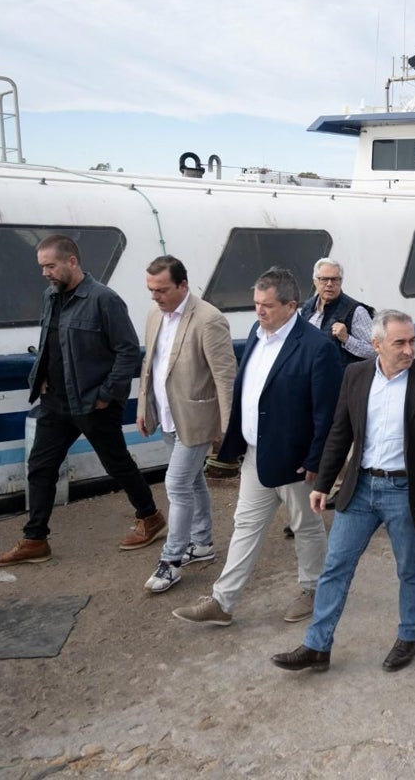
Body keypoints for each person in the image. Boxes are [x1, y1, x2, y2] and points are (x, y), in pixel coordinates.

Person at [271, 311, 415, 673]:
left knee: (410, 568)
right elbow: (340, 432)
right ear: (376, 345)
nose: (409, 350)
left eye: (412, 341)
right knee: (335, 567)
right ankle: (317, 646)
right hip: (360, 490)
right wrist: (323, 484)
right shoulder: (355, 376)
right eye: (399, 343)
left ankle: (408, 637)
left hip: (405, 491)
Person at [172, 267, 342, 626]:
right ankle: (222, 601)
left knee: (306, 527)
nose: (259, 312)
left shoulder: (318, 348)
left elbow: (327, 413)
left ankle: (315, 591)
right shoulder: (255, 333)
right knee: (245, 525)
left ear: (291, 305)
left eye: (266, 305)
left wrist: (316, 460)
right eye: (256, 304)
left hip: (296, 461)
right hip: (255, 455)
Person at [0, 235, 162, 566]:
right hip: (55, 401)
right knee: (40, 467)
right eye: (41, 267)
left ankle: (150, 517)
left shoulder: (104, 300)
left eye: (50, 266)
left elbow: (127, 351)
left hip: (92, 403)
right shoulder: (50, 297)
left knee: (116, 463)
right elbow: (50, 343)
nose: (45, 273)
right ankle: (35, 539)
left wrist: (105, 395)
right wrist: (40, 380)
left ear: (72, 262)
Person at [135, 256, 237, 593]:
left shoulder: (209, 319)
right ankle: (203, 543)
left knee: (176, 484)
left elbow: (225, 377)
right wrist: (143, 407)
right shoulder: (154, 315)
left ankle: (172, 561)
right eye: (151, 290)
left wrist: (227, 428)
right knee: (193, 482)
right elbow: (150, 365)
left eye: (162, 290)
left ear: (182, 285)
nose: (156, 296)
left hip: (196, 420)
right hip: (166, 415)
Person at [299, 257, 375, 367]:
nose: (329, 284)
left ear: (341, 281)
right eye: (324, 279)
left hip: (341, 381)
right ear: (315, 281)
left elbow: (377, 351)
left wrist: (347, 339)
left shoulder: (355, 311)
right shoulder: (307, 307)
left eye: (335, 279)